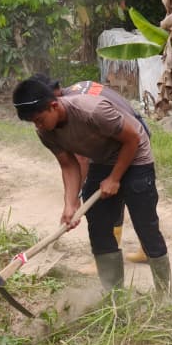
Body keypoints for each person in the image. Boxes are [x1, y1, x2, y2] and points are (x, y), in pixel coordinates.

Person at [11, 76, 171, 296]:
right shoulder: (45, 132)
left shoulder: (92, 110)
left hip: (135, 158)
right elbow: (68, 165)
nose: (38, 126)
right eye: (33, 122)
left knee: (146, 227)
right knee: (98, 226)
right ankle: (114, 297)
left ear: (54, 105)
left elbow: (132, 139)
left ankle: (165, 297)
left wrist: (115, 178)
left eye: (39, 119)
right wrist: (70, 203)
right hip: (102, 160)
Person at [32, 72, 148, 264]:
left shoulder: (73, 106)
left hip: (129, 137)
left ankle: (110, 258)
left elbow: (81, 158)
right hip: (127, 130)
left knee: (111, 196)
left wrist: (75, 199)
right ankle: (146, 249)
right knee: (121, 195)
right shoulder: (76, 90)